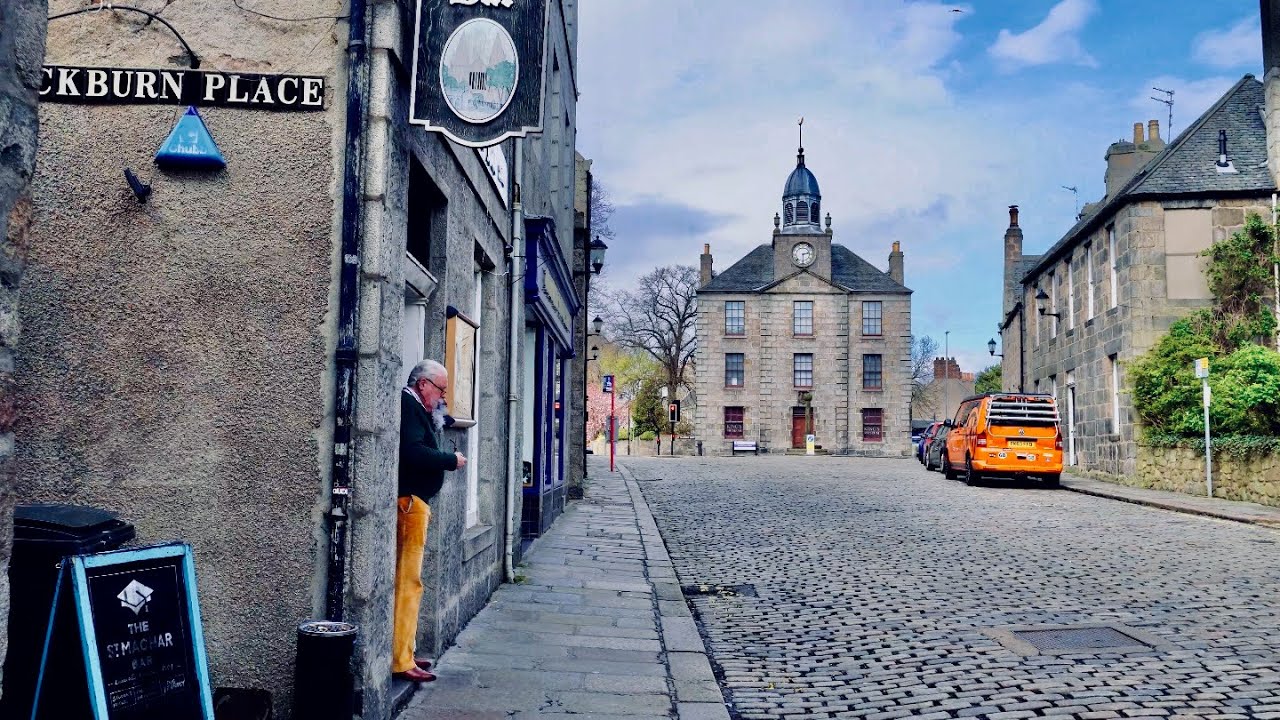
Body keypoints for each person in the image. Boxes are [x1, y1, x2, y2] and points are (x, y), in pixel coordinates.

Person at [394, 359, 466, 683]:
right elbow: (411, 452)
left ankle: (405, 651)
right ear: (423, 384)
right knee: (408, 583)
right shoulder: (409, 406)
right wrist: (450, 460)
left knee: (410, 583)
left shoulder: (415, 408)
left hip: (414, 504)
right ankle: (400, 659)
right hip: (410, 505)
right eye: (440, 390)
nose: (442, 398)